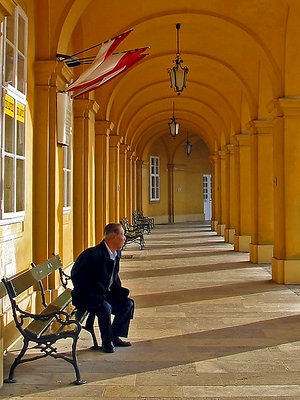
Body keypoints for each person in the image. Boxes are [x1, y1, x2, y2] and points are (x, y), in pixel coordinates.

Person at [71, 223, 134, 353]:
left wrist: (119, 293)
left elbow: (113, 277)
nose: (124, 238)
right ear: (112, 237)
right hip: (86, 297)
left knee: (128, 304)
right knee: (105, 307)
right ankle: (106, 342)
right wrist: (93, 295)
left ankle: (113, 336)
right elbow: (76, 276)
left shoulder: (116, 253)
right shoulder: (92, 255)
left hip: (103, 293)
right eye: (122, 235)